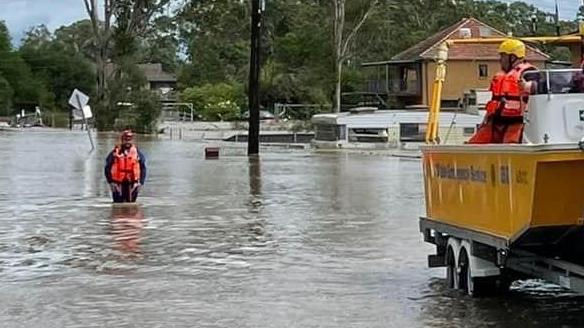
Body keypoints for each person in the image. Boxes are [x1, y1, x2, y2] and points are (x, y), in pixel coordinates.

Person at [468, 39, 537, 144]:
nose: (501, 59)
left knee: (510, 147)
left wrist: (527, 86)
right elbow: (494, 99)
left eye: (503, 56)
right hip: (495, 120)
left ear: (513, 57)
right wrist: (485, 120)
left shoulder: (528, 73)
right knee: (474, 145)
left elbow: (540, 89)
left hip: (516, 122)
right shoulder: (500, 75)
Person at [104, 129, 147, 203]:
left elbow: (143, 167)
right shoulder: (115, 153)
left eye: (129, 139)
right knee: (117, 206)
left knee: (131, 206)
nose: (127, 141)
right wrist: (110, 182)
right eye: (125, 139)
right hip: (117, 184)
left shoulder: (137, 153)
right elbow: (107, 168)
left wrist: (141, 183)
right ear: (122, 140)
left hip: (133, 184)